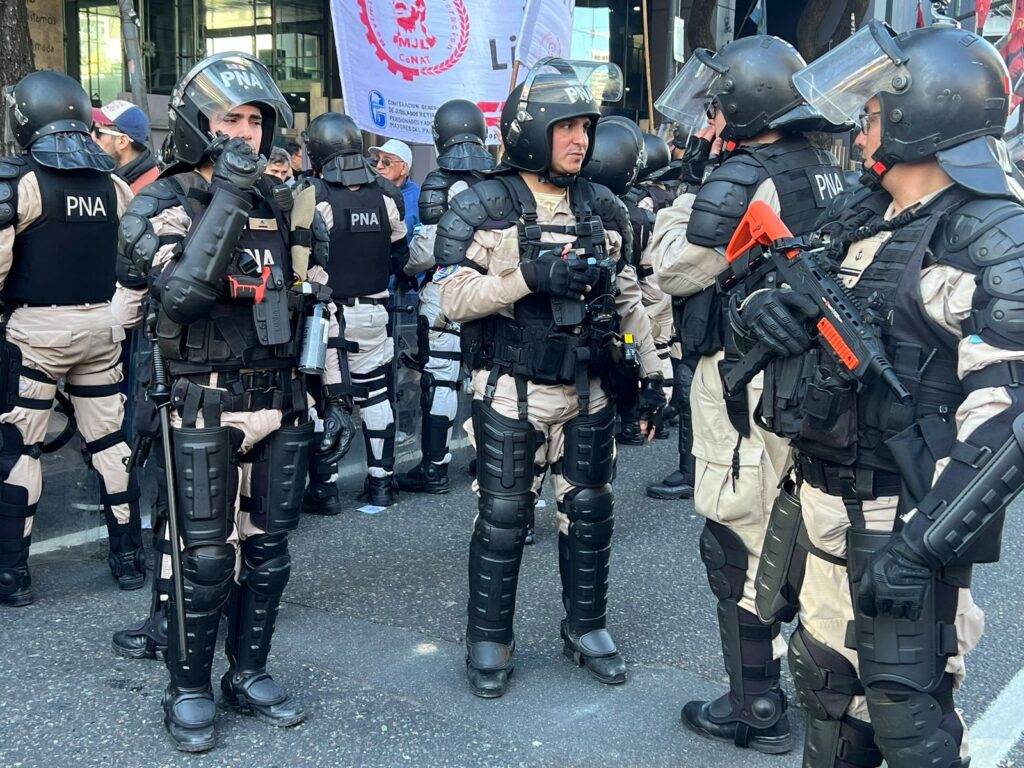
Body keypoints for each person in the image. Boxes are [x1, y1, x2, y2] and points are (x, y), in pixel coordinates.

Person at [730, 22, 1023, 768]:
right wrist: (762, 309)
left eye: (871, 115)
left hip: (902, 517)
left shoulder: (991, 235)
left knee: (909, 719)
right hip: (818, 503)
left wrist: (925, 547)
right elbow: (780, 282)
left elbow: (1009, 415)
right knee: (826, 699)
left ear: (920, 111)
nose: (861, 136)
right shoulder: (864, 213)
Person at [113, 52, 354, 752]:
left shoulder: (289, 206)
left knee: (269, 553)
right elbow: (183, 296)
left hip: (279, 402)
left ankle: (247, 673)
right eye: (230, 119)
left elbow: (315, 305)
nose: (245, 133)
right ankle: (186, 688)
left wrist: (329, 394)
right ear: (197, 124)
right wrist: (228, 196)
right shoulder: (160, 202)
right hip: (200, 404)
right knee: (206, 558)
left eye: (256, 120)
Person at [435, 58, 665, 698]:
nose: (579, 140)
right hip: (512, 389)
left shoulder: (604, 205)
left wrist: (651, 376)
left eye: (585, 127)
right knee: (503, 517)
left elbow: (627, 300)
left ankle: (586, 627)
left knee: (590, 512)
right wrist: (528, 279)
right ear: (530, 129)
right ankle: (490, 639)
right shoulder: (482, 202)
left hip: (589, 390)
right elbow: (450, 299)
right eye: (565, 127)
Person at [649, 35, 848, 754]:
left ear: (741, 102)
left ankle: (754, 706)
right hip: (803, 381)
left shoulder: (743, 176)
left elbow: (677, 270)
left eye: (716, 101)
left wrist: (678, 200)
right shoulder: (823, 168)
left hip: (742, 384)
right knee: (801, 531)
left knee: (733, 539)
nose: (708, 114)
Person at [0, 72, 142, 606]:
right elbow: (134, 260)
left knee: (18, 449)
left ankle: (12, 575)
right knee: (110, 443)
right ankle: (127, 558)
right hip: (101, 329)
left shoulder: (20, 183)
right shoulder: (116, 184)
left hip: (36, 334)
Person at [299, 112, 408, 509]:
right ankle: (381, 482)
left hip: (326, 316)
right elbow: (400, 251)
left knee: (327, 402)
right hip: (376, 312)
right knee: (376, 397)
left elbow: (298, 255)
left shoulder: (312, 193)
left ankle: (325, 489)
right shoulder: (385, 194)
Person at [395, 99, 495, 495]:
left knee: (441, 378)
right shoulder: (502, 179)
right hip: (493, 291)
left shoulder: (439, 182)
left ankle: (435, 468)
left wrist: (404, 265)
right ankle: (489, 458)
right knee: (489, 381)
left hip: (447, 288)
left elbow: (427, 249)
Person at [92, 99, 160, 192]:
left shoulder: (146, 191)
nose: (92, 137)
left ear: (122, 141)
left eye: (98, 132)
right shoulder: (113, 175)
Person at [370, 138, 420, 237]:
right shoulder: (368, 192)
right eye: (376, 160)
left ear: (403, 168)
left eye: (386, 161)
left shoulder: (420, 198)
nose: (379, 166)